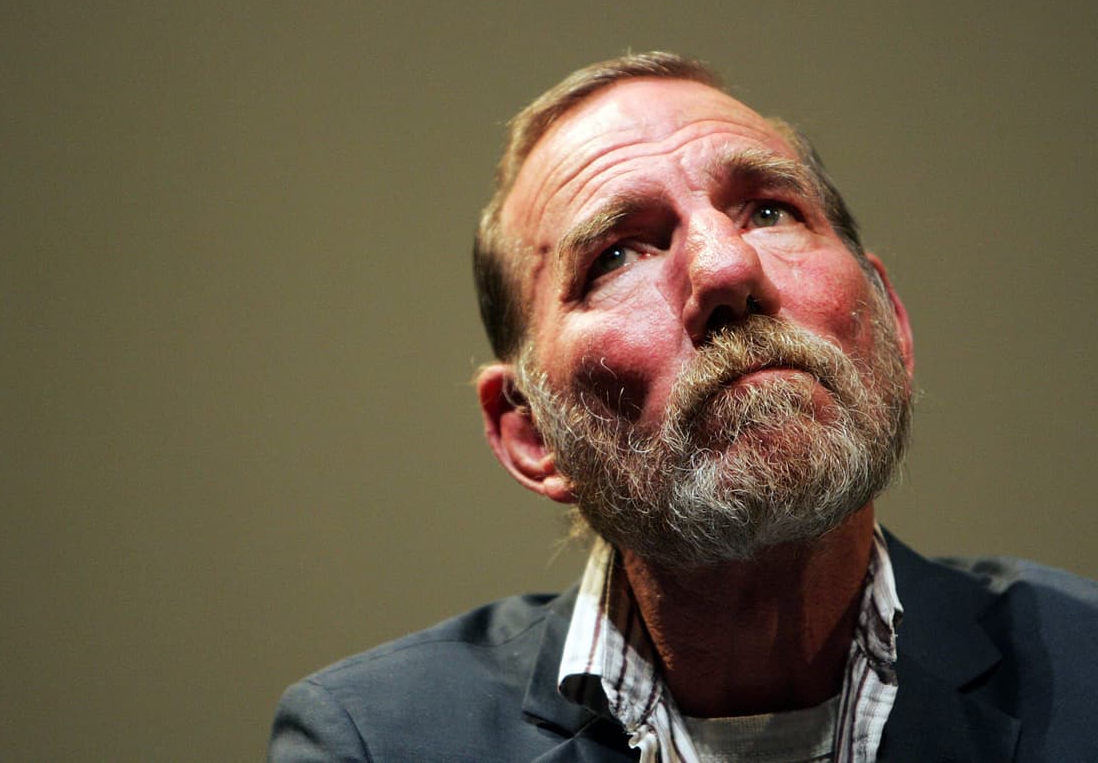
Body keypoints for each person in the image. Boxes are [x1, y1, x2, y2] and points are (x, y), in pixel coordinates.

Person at [269, 52, 1098, 762]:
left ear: (889, 326)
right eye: (617, 254)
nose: (726, 267)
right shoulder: (378, 741)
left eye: (770, 210)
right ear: (530, 434)